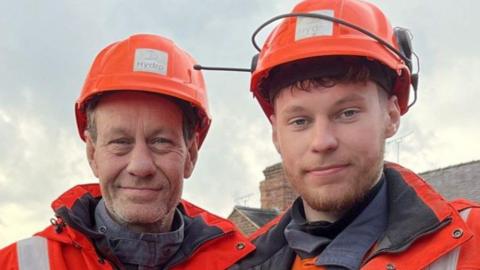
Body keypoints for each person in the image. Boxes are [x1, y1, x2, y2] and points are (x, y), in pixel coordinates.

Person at [232, 0, 480, 269]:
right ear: (276, 134)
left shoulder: (470, 242)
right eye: (300, 121)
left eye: (347, 113)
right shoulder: (241, 263)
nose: (322, 141)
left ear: (392, 115)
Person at [0, 34, 253, 270]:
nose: (140, 166)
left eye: (160, 141)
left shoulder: (245, 265)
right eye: (120, 141)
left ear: (191, 155)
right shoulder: (20, 264)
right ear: (92, 154)